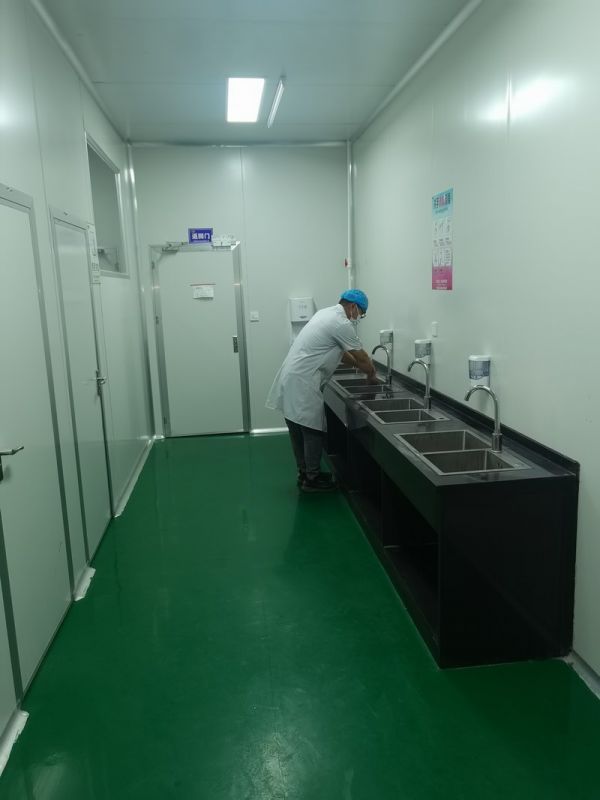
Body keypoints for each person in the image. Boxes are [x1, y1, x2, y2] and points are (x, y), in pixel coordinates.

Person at [266, 289, 378, 492]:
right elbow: (361, 357)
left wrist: (358, 365)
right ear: (353, 307)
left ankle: (305, 473)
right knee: (312, 429)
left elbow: (343, 353)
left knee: (297, 428)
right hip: (303, 381)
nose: (357, 318)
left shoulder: (325, 314)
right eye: (360, 314)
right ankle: (312, 478)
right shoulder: (341, 323)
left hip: (293, 376)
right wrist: (371, 374)